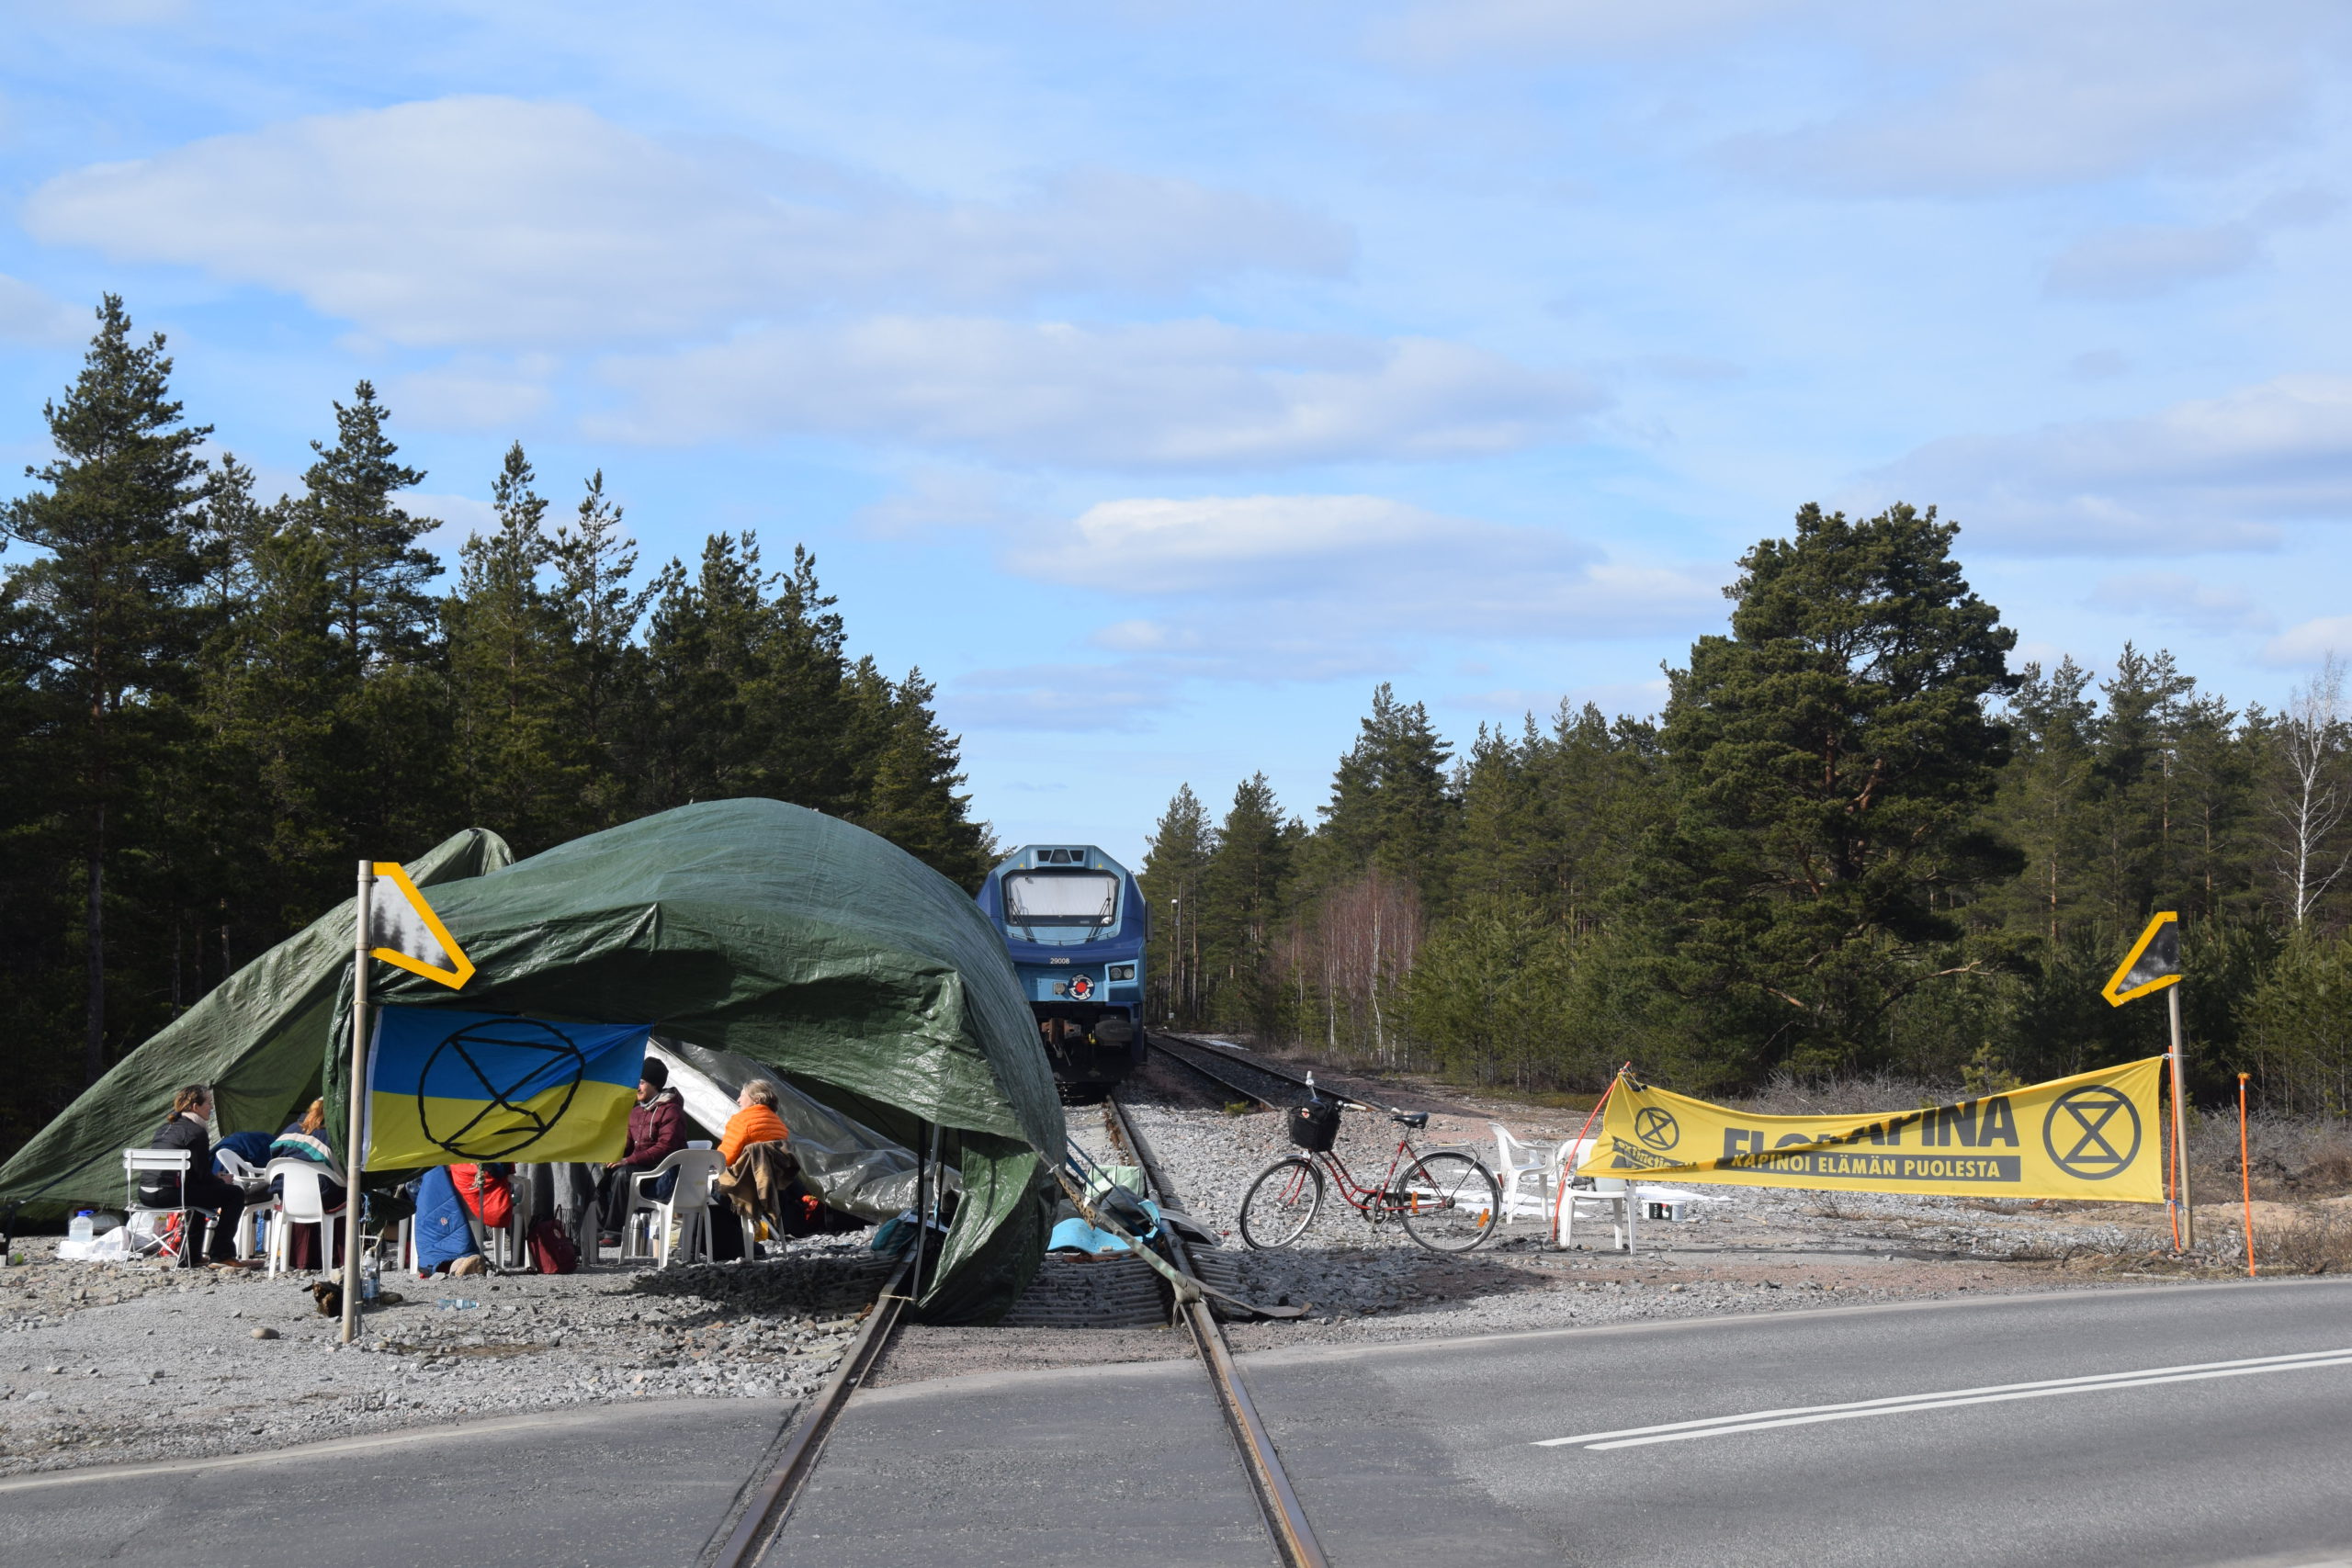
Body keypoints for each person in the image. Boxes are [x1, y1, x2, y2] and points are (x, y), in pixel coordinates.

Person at [141, 1085, 257, 1269]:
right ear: (195, 1107)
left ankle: (191, 1256)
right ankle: (222, 1255)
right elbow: (202, 1176)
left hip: (146, 1193)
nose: (211, 1107)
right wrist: (221, 1180)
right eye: (208, 1103)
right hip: (170, 1193)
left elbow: (194, 1175)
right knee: (234, 1194)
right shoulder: (196, 1131)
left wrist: (213, 1179)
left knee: (197, 1195)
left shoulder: (164, 1128)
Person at [597, 1058, 686, 1244]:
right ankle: (598, 1227)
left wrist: (628, 1161)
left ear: (655, 1084)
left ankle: (613, 1233)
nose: (636, 1086)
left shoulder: (671, 1111)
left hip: (664, 1173)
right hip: (641, 1170)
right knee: (599, 1173)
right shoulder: (636, 1112)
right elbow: (627, 1146)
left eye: (641, 1082)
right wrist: (607, 1155)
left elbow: (665, 1148)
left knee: (622, 1174)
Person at [718, 1079, 789, 1167]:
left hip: (743, 1176)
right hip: (772, 1177)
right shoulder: (781, 1126)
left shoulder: (742, 1120)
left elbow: (726, 1156)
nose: (738, 1100)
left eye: (742, 1095)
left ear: (756, 1099)